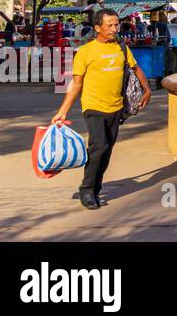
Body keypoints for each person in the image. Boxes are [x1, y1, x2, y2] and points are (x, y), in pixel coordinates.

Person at [51, 11, 150, 209]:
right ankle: (86, 189)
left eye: (116, 25)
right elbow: (76, 84)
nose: (114, 29)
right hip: (93, 106)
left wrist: (146, 90)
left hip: (116, 107)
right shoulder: (86, 52)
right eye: (109, 26)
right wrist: (63, 110)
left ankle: (95, 188)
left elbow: (136, 68)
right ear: (97, 28)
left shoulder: (121, 48)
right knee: (99, 146)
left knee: (106, 150)